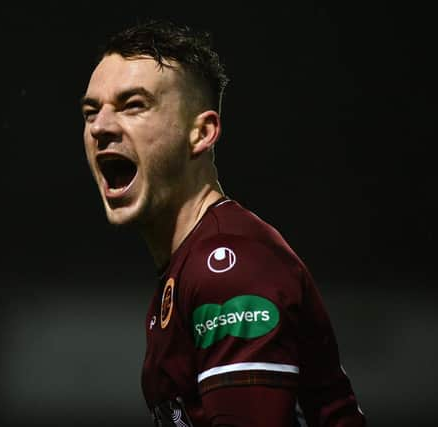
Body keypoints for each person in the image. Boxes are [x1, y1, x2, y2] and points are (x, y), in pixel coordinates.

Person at [80, 19, 366, 427]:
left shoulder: (230, 268)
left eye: (133, 105)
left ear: (202, 132)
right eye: (91, 112)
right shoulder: (187, 267)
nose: (101, 127)